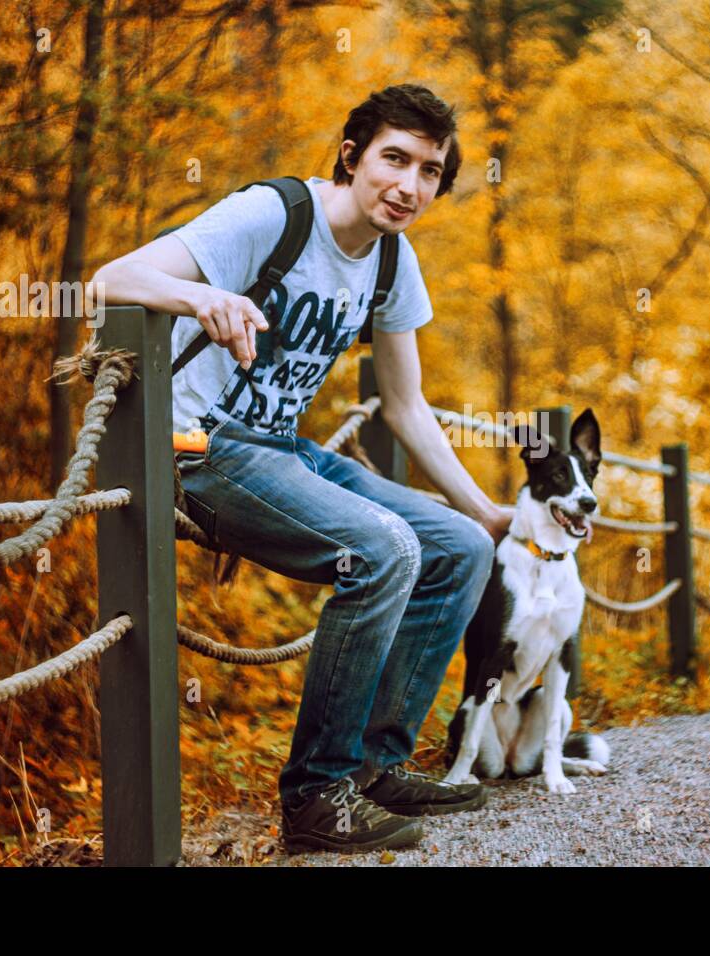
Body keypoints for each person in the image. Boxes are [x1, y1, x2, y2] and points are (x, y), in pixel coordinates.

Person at [91, 84, 510, 853]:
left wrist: (484, 508)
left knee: (461, 548)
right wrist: (196, 296)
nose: (408, 186)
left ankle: (375, 771)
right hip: (195, 448)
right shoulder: (275, 215)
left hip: (279, 445)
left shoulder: (391, 261)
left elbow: (407, 407)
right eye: (394, 159)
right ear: (352, 156)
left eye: (428, 171)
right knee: (383, 549)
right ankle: (318, 795)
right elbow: (107, 281)